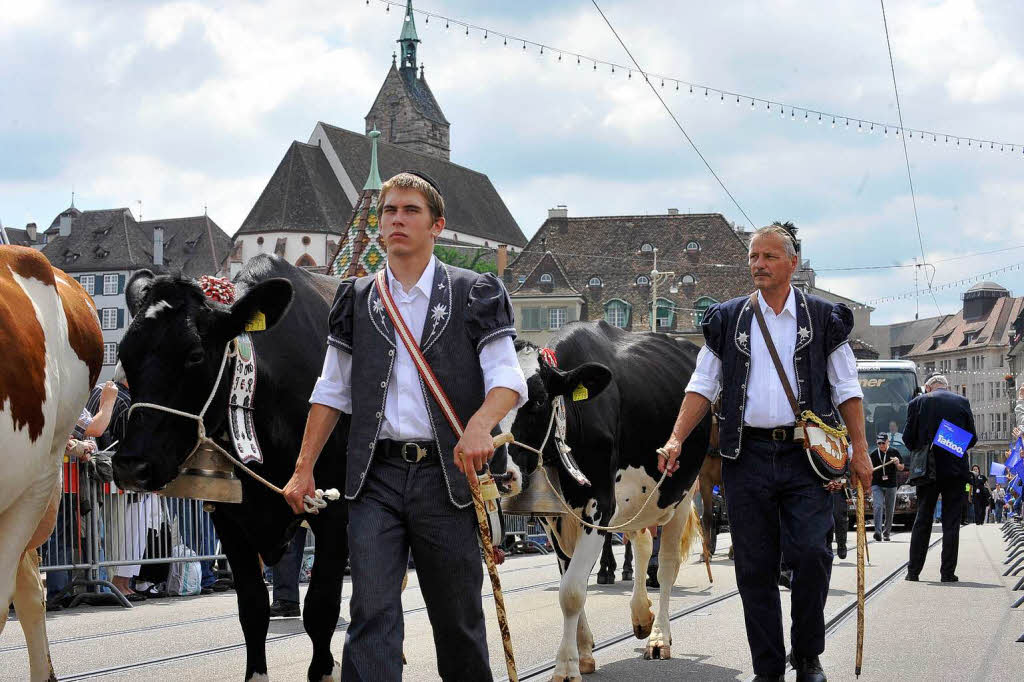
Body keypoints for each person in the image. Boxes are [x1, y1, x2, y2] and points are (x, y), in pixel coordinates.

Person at [282, 171, 527, 681]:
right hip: (376, 478)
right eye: (389, 210)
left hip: (447, 479)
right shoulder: (357, 297)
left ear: (437, 224)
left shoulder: (473, 291)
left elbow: (508, 381)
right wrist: (303, 469)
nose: (397, 219)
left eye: (410, 210)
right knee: (371, 615)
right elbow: (331, 392)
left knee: (457, 619)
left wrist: (482, 425)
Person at [658, 224, 871, 682]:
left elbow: (847, 387)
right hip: (746, 455)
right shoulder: (728, 319)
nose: (758, 264)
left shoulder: (823, 318)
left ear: (792, 263)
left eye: (769, 257)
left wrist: (860, 450)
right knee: (753, 566)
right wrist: (676, 437)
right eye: (754, 256)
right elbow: (703, 385)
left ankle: (808, 656)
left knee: (814, 554)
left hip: (806, 457)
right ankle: (768, 668)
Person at [903, 374, 977, 583]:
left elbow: (908, 438)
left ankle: (913, 572)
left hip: (926, 469)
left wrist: (925, 446)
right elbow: (972, 437)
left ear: (928, 388)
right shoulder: (961, 402)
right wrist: (950, 443)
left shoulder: (918, 402)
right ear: (947, 387)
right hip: (954, 470)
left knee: (923, 519)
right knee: (951, 521)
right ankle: (947, 572)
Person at [869, 433, 904, 541]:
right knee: (878, 506)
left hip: (891, 485)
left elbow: (901, 468)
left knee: (889, 509)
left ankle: (887, 533)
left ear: (888, 442)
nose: (881, 445)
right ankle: (877, 532)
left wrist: (897, 463)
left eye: (883, 443)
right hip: (877, 484)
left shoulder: (894, 452)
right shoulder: (874, 454)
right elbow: (869, 470)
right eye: (879, 443)